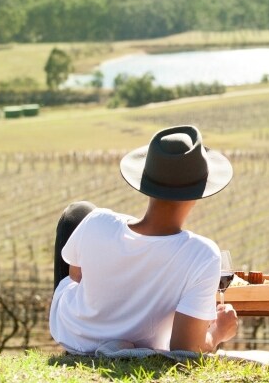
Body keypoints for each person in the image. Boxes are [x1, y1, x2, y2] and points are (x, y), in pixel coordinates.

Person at [49, 125, 238, 354]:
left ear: (146, 181)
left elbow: (76, 275)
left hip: (73, 334)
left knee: (77, 212)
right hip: (142, 344)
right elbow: (186, 348)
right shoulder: (203, 254)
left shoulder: (97, 220)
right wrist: (219, 332)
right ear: (199, 192)